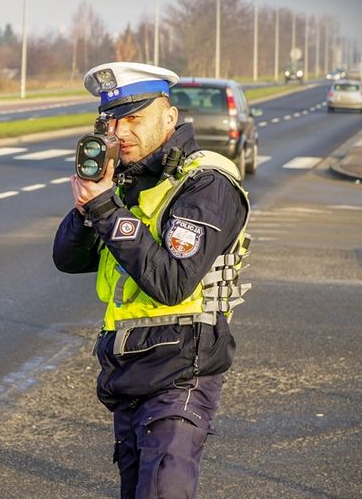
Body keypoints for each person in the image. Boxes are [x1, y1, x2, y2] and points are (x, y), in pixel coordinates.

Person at [52, 62, 251, 499]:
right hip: (127, 372)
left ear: (169, 117)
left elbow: (173, 281)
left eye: (134, 119)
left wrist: (107, 210)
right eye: (110, 121)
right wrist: (87, 209)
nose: (119, 132)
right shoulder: (126, 181)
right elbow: (68, 259)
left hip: (181, 370)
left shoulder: (205, 184)